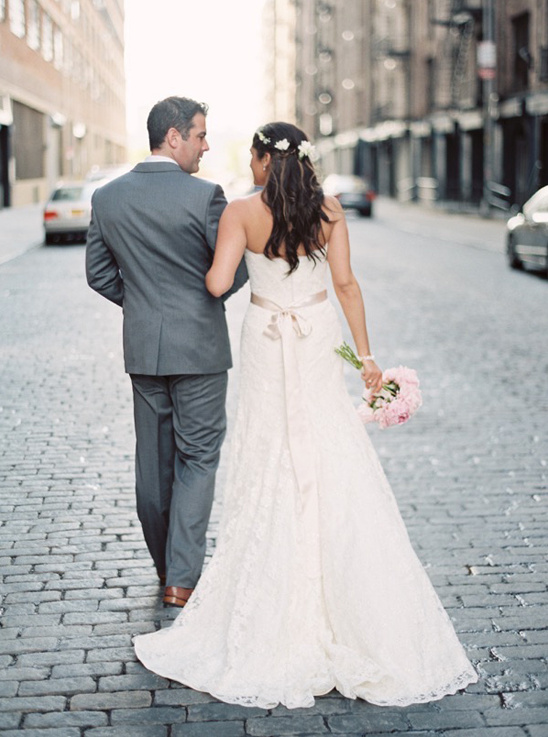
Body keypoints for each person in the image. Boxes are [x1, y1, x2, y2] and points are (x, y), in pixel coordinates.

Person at [133, 122, 478, 708]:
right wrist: (366, 358)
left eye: (253, 154)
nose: (248, 162)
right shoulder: (329, 210)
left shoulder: (241, 212)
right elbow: (345, 284)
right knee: (327, 439)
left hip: (268, 335)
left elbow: (217, 284)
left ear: (267, 159)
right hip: (316, 334)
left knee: (270, 447)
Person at [85, 96, 247, 609]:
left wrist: (143, 308)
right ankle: (181, 578)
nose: (205, 146)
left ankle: (166, 567)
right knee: (198, 458)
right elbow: (233, 272)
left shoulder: (107, 198)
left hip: (144, 350)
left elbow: (98, 273)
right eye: (200, 135)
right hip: (199, 350)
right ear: (172, 137)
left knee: (153, 467)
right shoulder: (206, 197)